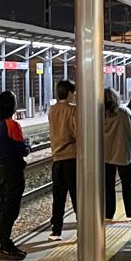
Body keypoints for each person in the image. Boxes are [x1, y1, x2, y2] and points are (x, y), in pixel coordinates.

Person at [0, 90, 30, 259]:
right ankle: (6, 244)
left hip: (2, 169)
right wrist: (27, 145)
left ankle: (4, 241)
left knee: (4, 206)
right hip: (13, 170)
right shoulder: (12, 125)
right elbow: (22, 150)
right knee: (11, 208)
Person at [103, 87, 131, 219]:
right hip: (124, 154)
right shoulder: (125, 112)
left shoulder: (99, 114)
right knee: (129, 185)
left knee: (108, 186)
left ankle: (108, 213)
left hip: (105, 156)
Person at [48, 79, 78, 239]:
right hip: (71, 158)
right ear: (70, 93)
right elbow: (77, 132)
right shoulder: (73, 110)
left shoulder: (52, 110)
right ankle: (83, 225)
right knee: (76, 194)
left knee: (58, 197)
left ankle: (56, 230)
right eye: (74, 93)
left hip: (56, 159)